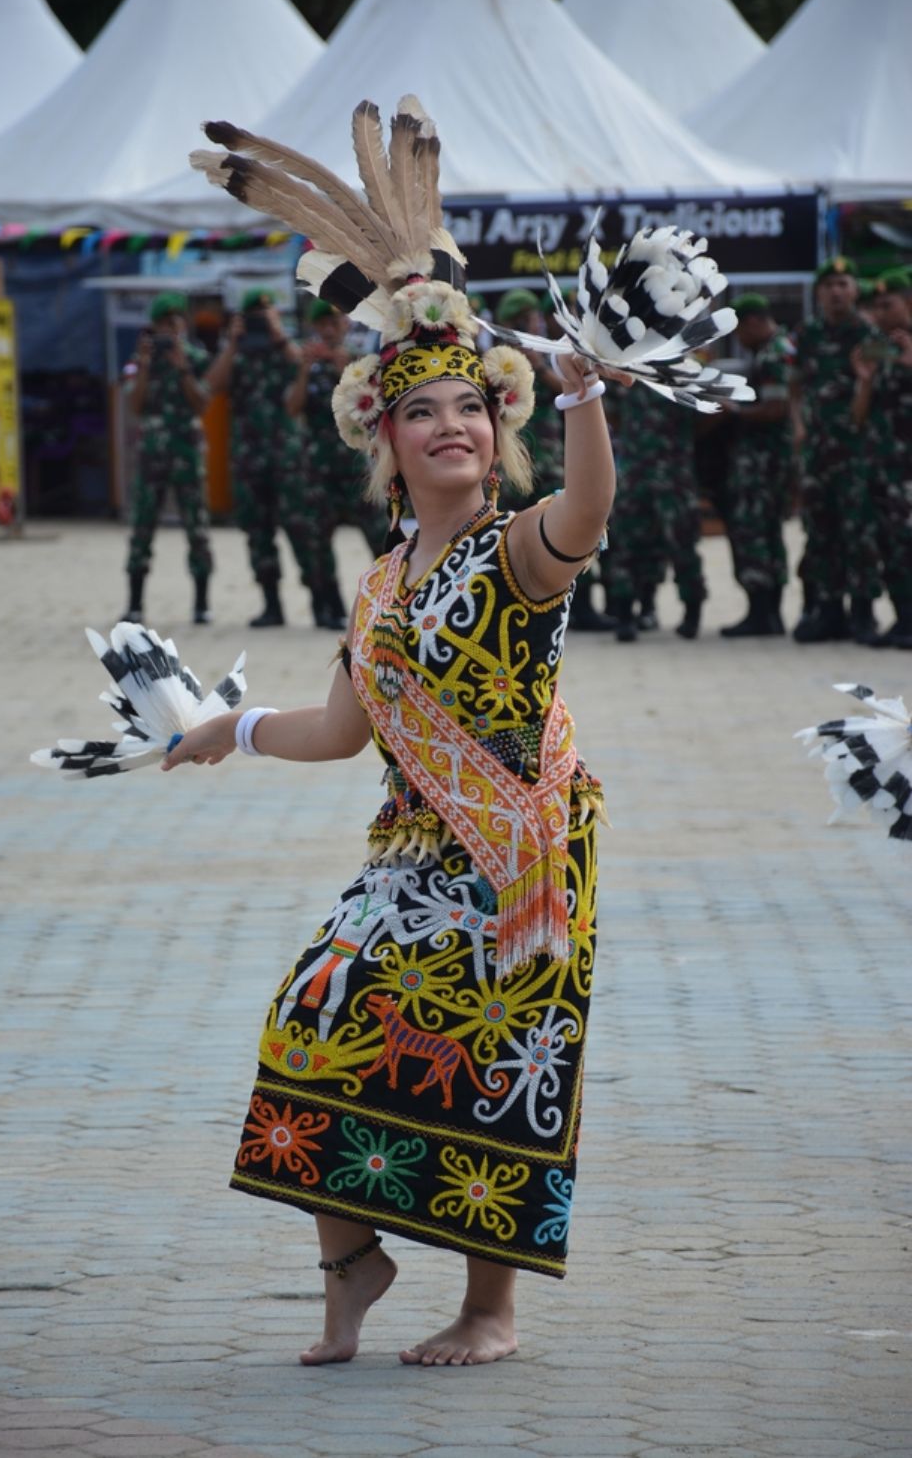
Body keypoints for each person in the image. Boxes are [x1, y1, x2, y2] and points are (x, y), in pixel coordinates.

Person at [166, 98, 632, 1367]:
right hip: (413, 849)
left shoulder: (514, 550)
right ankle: (353, 1263)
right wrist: (232, 728)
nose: (453, 426)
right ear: (383, 433)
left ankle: (490, 1308)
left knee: (498, 1061)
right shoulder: (381, 580)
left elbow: (587, 510)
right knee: (308, 1020)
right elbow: (338, 727)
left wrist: (584, 400)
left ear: (501, 429)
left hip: (523, 852)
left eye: (473, 409)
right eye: (423, 410)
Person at [206, 289, 340, 630]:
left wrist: (279, 335)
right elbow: (213, 385)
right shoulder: (236, 353)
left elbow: (304, 365)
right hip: (248, 457)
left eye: (264, 316)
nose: (258, 325)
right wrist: (233, 342)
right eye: (254, 317)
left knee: (302, 531)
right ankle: (271, 605)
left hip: (288, 456)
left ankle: (321, 604)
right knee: (257, 532)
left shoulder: (286, 348)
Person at [497, 288, 615, 633]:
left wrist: (537, 364)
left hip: (551, 462)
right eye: (518, 321)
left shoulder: (550, 356)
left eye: (529, 318)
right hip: (514, 467)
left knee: (570, 533)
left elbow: (566, 388)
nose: (527, 325)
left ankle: (584, 607)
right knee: (511, 539)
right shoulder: (499, 363)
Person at [791, 258, 881, 643]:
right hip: (817, 452)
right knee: (820, 531)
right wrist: (797, 426)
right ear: (818, 294)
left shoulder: (868, 334)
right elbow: (795, 386)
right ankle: (827, 611)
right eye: (828, 285)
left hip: (858, 453)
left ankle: (863, 613)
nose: (836, 291)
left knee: (859, 532)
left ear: (854, 290)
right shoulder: (808, 333)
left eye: (843, 283)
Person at [284, 299, 384, 622]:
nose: (328, 331)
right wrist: (303, 369)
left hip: (354, 464)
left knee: (379, 532)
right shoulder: (306, 361)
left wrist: (345, 369)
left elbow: (373, 406)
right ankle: (327, 606)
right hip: (316, 466)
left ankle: (389, 598)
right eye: (322, 325)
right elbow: (292, 408)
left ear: (345, 325)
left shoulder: (359, 361)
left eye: (334, 323)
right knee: (317, 540)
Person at [125, 292, 214, 625]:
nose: (170, 329)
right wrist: (146, 366)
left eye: (175, 322)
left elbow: (202, 404)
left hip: (187, 454)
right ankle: (134, 603)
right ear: (154, 327)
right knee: (142, 526)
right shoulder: (140, 360)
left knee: (197, 527)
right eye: (164, 323)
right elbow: (134, 405)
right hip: (152, 456)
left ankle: (202, 604)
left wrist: (183, 370)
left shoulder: (194, 357)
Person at [716, 295, 795, 637]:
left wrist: (734, 412)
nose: (740, 341)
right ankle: (769, 614)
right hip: (771, 462)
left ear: (752, 323)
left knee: (754, 532)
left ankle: (762, 613)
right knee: (768, 532)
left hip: (763, 464)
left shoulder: (772, 354)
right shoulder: (777, 349)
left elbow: (777, 408)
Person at [606, 379, 706, 642]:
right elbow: (612, 413)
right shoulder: (628, 369)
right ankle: (626, 615)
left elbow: (705, 417)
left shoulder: (683, 373)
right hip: (635, 473)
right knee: (627, 545)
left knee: (683, 545)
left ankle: (692, 613)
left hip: (674, 474)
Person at [851, 267, 912, 648]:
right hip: (885, 467)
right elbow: (858, 417)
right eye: (876, 306)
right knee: (891, 544)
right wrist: (865, 379)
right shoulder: (880, 349)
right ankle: (904, 617)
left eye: (887, 304)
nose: (880, 312)